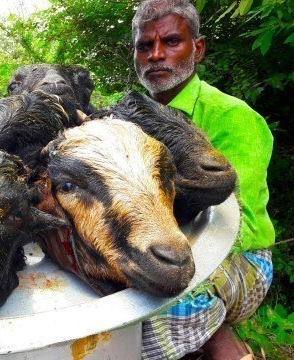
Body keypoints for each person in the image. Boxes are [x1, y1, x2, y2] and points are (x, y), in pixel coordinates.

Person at [132, 0, 274, 359]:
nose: (155, 55)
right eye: (145, 45)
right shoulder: (129, 118)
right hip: (163, 247)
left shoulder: (233, 117)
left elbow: (230, 217)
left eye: (171, 42)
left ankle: (212, 332)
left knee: (155, 312)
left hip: (236, 255)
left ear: (198, 48)